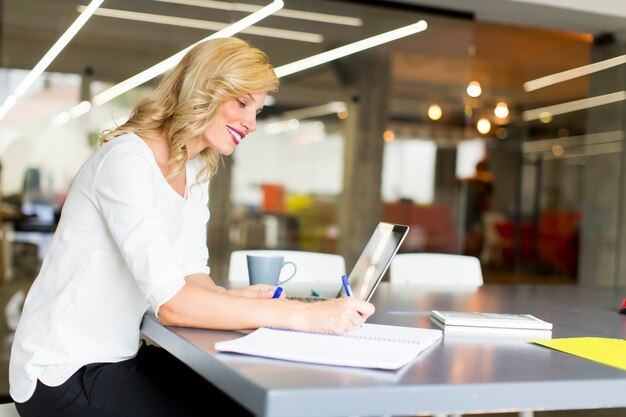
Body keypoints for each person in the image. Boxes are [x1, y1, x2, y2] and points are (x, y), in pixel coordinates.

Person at [9, 37, 374, 417]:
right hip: (62, 372)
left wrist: (235, 300)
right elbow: (172, 305)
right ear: (204, 89)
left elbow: (190, 275)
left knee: (239, 398)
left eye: (258, 110)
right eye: (242, 103)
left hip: (118, 358)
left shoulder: (195, 169)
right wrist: (304, 315)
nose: (250, 123)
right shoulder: (127, 161)